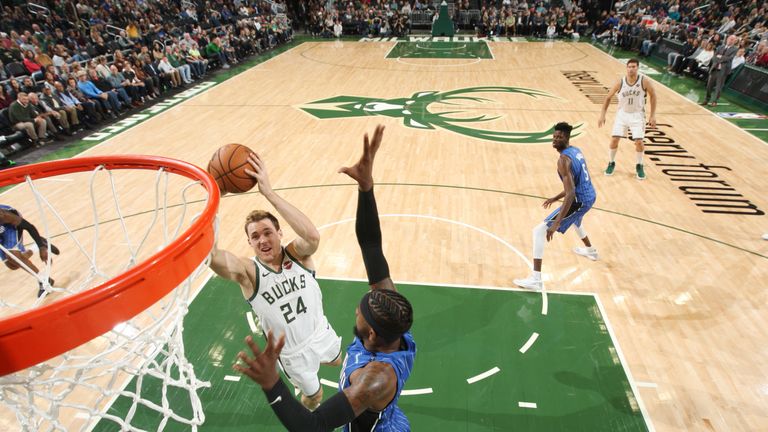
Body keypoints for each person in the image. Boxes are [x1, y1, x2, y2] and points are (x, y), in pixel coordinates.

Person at [233, 125, 417, 431]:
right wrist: (366, 188)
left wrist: (271, 383)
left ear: (371, 334)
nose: (357, 309)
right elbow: (371, 244)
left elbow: (313, 426)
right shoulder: (389, 315)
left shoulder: (373, 381)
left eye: (360, 313)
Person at [209, 153, 342, 410]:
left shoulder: (298, 254)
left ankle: (320, 365)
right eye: (255, 236)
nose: (262, 240)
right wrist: (215, 200)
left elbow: (312, 237)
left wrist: (269, 193)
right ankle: (306, 415)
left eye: (268, 232)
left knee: (336, 361)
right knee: (314, 398)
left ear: (279, 233)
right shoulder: (249, 272)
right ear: (249, 242)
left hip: (320, 332)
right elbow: (212, 256)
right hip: (293, 353)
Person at [514, 122, 597, 291]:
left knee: (539, 231)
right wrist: (556, 197)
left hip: (579, 200)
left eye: (559, 137)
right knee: (576, 221)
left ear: (566, 138)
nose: (554, 140)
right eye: (554, 137)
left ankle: (536, 279)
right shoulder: (576, 151)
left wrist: (556, 223)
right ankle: (591, 251)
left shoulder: (563, 160)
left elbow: (571, 193)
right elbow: (575, 184)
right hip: (590, 195)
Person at [598, 58, 657, 180]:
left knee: (639, 142)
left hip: (637, 115)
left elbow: (653, 95)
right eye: (629, 67)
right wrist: (602, 114)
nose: (631, 69)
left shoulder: (644, 81)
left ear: (637, 68)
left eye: (633, 67)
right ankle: (611, 162)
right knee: (614, 139)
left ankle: (639, 165)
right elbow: (608, 97)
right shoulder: (620, 82)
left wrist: (652, 115)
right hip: (622, 114)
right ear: (626, 68)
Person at [0, 204, 59, 296]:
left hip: (10, 226)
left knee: (12, 256)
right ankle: (36, 246)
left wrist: (41, 248)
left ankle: (44, 280)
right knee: (12, 265)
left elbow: (29, 227)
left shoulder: (4, 215)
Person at [701, 35, 739, 107]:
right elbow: (714, 57)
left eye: (732, 39)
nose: (730, 40)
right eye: (729, 39)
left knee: (718, 87)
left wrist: (720, 57)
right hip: (714, 68)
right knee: (709, 86)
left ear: (735, 41)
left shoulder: (735, 49)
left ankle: (714, 101)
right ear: (727, 39)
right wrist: (721, 58)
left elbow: (729, 58)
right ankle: (706, 100)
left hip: (723, 70)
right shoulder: (720, 47)